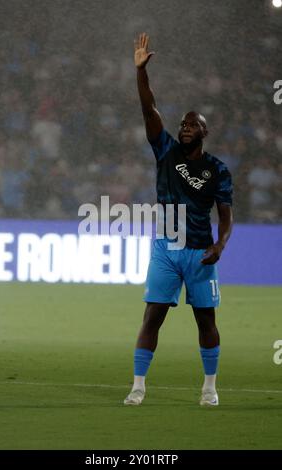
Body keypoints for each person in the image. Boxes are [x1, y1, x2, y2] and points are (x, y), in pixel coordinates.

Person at [124, 33, 233, 406]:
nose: (184, 127)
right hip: (166, 249)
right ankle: (138, 387)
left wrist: (220, 245)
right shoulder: (166, 150)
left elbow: (225, 214)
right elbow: (148, 108)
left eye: (192, 124)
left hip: (200, 252)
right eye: (183, 123)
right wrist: (140, 72)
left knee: (206, 322)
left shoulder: (217, 169)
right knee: (152, 317)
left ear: (203, 132)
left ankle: (209, 388)